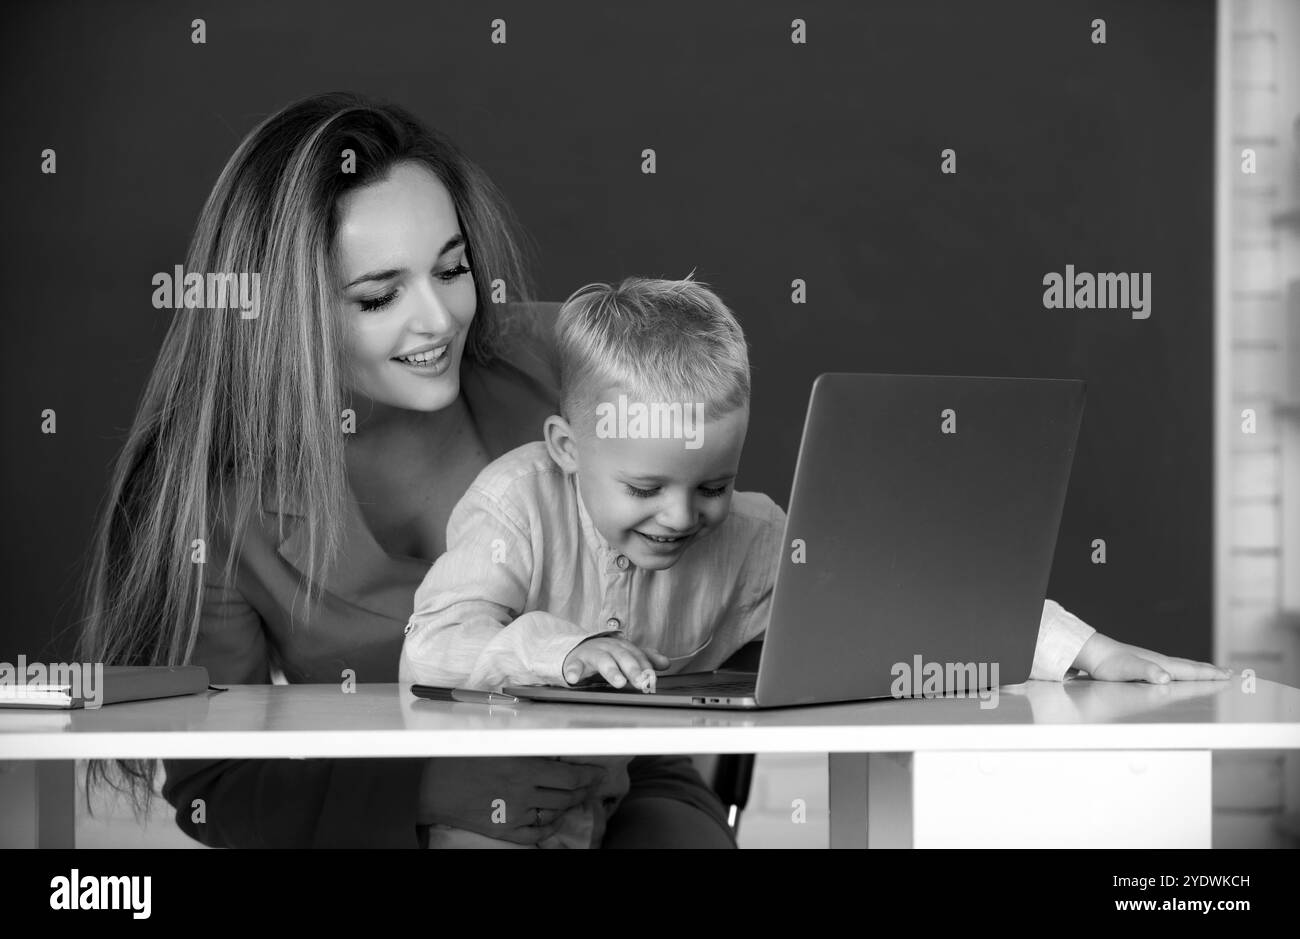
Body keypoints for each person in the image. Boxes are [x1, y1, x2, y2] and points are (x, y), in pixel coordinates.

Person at [77, 92, 733, 848]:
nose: (440, 318)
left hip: (626, 779)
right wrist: (427, 789)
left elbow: (710, 513)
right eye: (381, 295)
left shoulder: (566, 364)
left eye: (452, 269)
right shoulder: (213, 497)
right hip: (399, 821)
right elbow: (216, 786)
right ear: (282, 314)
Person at [399, 275, 1233, 848]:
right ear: (566, 448)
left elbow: (907, 597)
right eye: (646, 485)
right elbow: (434, 645)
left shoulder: (753, 537)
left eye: (712, 484)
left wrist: (1086, 652)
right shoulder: (515, 502)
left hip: (615, 790)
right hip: (488, 791)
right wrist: (563, 648)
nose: (682, 515)